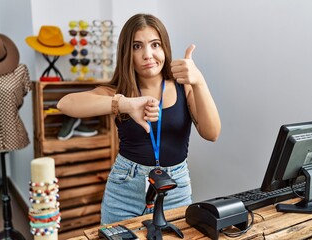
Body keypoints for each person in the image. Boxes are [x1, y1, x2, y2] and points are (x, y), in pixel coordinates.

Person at [57, 13, 221, 224]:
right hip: (124, 191)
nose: (147, 54)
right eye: (137, 46)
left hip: (175, 189)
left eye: (155, 45)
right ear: (127, 52)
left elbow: (212, 133)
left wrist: (199, 81)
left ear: (165, 48)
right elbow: (65, 104)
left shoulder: (184, 86)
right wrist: (124, 103)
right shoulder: (118, 91)